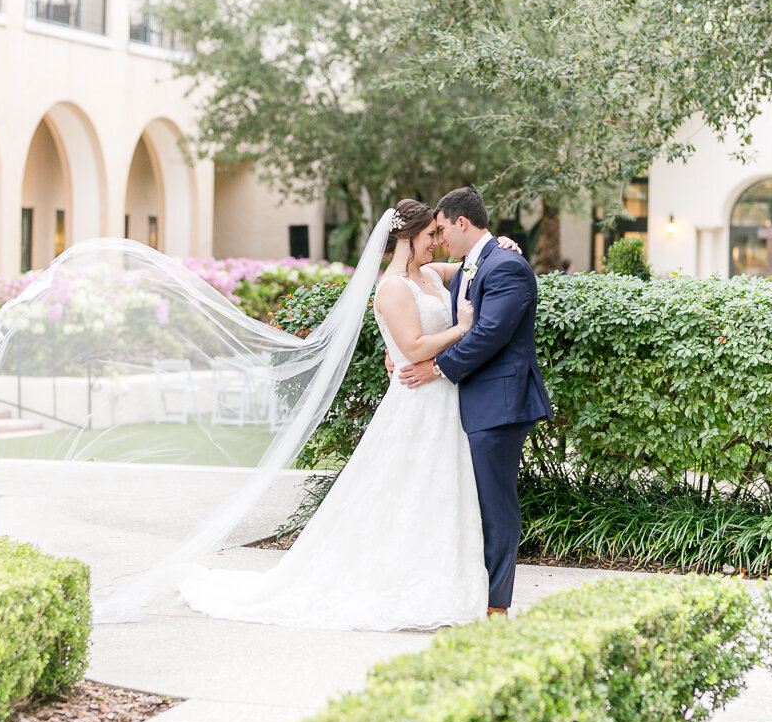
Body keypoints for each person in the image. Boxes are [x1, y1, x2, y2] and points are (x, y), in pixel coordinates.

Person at [177, 200, 520, 630]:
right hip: (417, 402)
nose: (437, 241)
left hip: (445, 401)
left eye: (439, 232)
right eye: (430, 235)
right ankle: (399, 582)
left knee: (442, 492)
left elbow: (475, 264)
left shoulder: (431, 275)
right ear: (406, 238)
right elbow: (413, 348)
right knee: (407, 493)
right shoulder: (393, 286)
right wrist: (461, 329)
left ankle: (444, 579)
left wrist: (504, 244)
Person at [397, 187, 551, 617]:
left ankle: (496, 608)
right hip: (468, 403)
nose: (440, 238)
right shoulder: (471, 264)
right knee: (469, 502)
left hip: (498, 405)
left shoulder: (507, 266)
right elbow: (415, 289)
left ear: (462, 223)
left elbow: (487, 334)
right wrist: (402, 351)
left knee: (495, 506)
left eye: (442, 229)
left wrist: (435, 367)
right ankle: (470, 596)